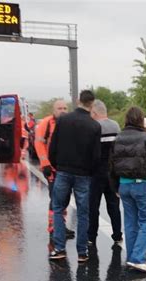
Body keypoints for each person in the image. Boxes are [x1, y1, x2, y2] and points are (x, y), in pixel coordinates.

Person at [109, 106, 146, 273]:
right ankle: (137, 258)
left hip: (124, 185)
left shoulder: (118, 139)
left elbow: (111, 166)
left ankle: (131, 258)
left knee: (130, 222)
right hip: (142, 184)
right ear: (141, 120)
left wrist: (115, 186)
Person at [48, 90, 101, 262]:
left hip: (63, 171)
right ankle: (82, 252)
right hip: (83, 175)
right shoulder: (94, 126)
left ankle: (60, 248)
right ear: (92, 104)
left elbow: (53, 146)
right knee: (83, 213)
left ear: (78, 101)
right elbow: (96, 156)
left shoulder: (63, 120)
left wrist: (57, 165)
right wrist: (90, 172)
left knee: (58, 209)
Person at [34, 100, 74, 238]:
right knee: (56, 198)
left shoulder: (69, 123)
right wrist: (45, 165)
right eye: (59, 108)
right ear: (53, 110)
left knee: (65, 198)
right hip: (51, 168)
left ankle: (60, 224)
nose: (62, 110)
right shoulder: (47, 123)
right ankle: (53, 227)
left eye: (65, 108)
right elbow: (39, 144)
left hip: (66, 168)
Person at [87, 100, 123, 247]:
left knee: (93, 206)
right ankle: (117, 235)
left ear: (94, 113)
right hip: (113, 172)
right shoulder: (115, 125)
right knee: (113, 205)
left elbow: (89, 151)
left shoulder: (93, 127)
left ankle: (91, 236)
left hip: (96, 173)